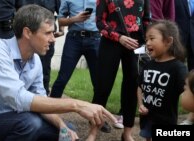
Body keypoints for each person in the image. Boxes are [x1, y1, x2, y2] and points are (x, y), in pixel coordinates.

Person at [0, 5, 117, 141]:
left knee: (67, 130)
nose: (53, 39)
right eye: (47, 33)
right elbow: (19, 98)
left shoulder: (35, 62)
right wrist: (77, 105)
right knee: (30, 123)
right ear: (27, 33)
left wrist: (62, 126)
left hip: (12, 120)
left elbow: (40, 101)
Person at [92, 0, 150, 140]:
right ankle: (93, 132)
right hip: (111, 41)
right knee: (103, 86)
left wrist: (148, 41)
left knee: (132, 86)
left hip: (136, 43)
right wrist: (119, 37)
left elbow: (146, 20)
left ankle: (127, 133)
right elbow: (100, 21)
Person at [137, 20, 187, 141]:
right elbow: (139, 86)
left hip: (166, 121)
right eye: (146, 39)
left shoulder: (178, 68)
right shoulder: (148, 65)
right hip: (147, 117)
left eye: (152, 38)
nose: (147, 43)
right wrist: (141, 104)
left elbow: (188, 92)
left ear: (168, 41)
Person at [49, 0, 100, 99]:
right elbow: (60, 20)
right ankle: (50, 108)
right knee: (63, 77)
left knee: (98, 80)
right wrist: (75, 19)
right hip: (73, 40)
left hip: (95, 39)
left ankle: (98, 111)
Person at [23, 0, 64, 95]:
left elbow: (61, 11)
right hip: (26, 36)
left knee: (44, 68)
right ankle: (22, 93)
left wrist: (61, 29)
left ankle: (43, 94)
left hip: (45, 37)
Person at [175, 0, 194, 125]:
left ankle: (191, 117)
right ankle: (169, 114)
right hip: (177, 40)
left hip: (193, 41)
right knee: (175, 76)